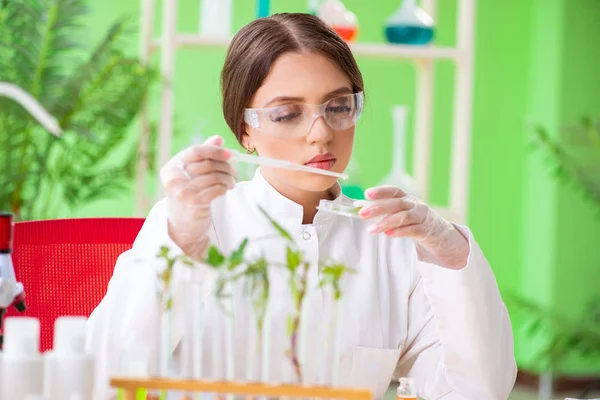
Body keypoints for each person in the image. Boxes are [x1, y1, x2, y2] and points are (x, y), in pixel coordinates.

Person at [86, 12, 516, 400]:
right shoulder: (199, 225)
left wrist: (449, 250)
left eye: (338, 106)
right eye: (287, 113)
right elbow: (106, 373)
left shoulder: (392, 243)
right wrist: (179, 243)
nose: (320, 133)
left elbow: (477, 391)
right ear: (245, 132)